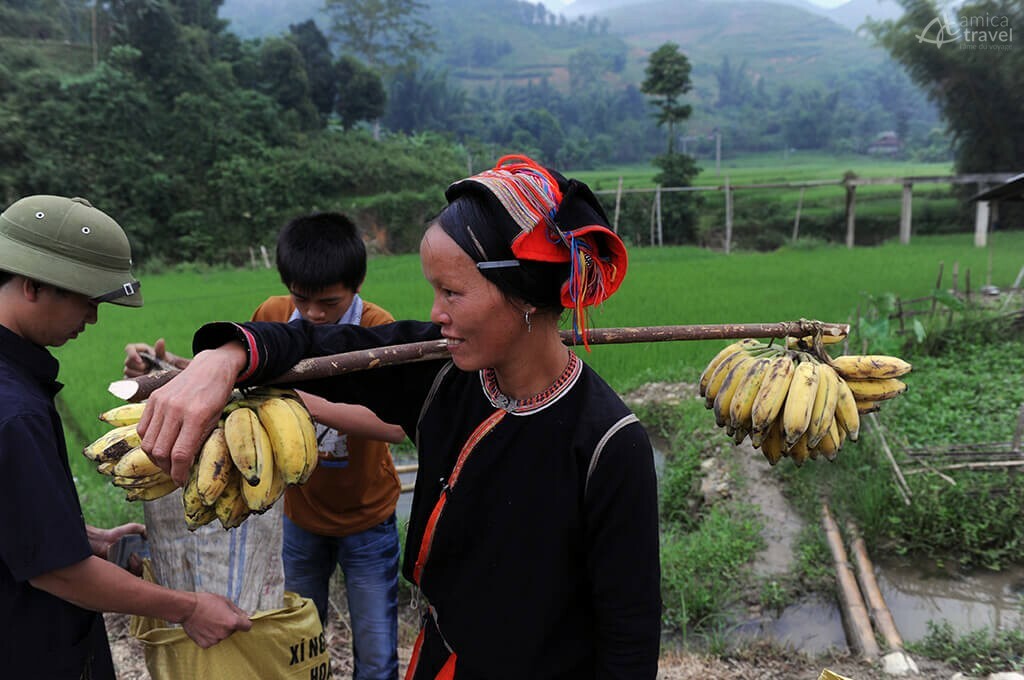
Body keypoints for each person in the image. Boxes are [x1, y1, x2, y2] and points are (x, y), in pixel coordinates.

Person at [137, 155, 663, 679]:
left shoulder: (609, 443)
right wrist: (225, 357)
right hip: (442, 659)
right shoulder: (437, 372)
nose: (436, 313)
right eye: (434, 290)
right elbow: (321, 344)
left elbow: (629, 631)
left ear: (525, 296)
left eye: (452, 292)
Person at [124, 212, 406, 680]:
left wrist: (296, 402)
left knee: (376, 654)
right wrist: (170, 367)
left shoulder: (378, 329)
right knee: (294, 641)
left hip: (368, 518)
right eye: (303, 298)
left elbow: (394, 426)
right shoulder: (271, 316)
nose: (314, 313)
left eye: (329, 302)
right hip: (296, 517)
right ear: (286, 286)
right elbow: (232, 378)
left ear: (356, 287)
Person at [0, 195, 252, 679]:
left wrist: (80, 538)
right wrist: (188, 608)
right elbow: (58, 572)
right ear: (32, 286)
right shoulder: (13, 410)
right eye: (87, 301)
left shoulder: (16, 383)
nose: (92, 319)